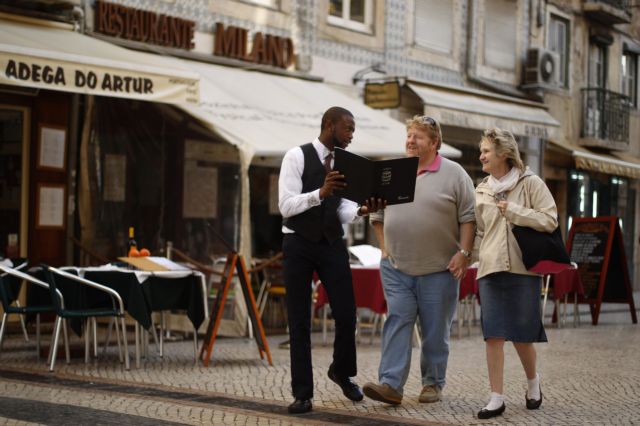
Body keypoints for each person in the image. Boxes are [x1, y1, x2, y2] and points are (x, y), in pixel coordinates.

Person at [363, 115, 475, 405]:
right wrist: (385, 248)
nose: (411, 141)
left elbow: (468, 218)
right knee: (398, 321)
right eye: (409, 135)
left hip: (440, 268)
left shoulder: (455, 174)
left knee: (435, 330)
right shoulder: (390, 171)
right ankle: (391, 384)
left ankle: (432, 383)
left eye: (418, 137)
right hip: (396, 267)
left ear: (434, 143)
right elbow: (376, 216)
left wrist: (463, 254)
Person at [278, 106, 383, 414]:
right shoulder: (296, 157)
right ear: (329, 125)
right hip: (297, 242)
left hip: (332, 243)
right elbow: (285, 206)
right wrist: (319, 193)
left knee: (347, 314)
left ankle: (341, 371)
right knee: (299, 321)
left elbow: (344, 209)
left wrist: (363, 210)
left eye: (353, 130)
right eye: (348, 128)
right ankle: (302, 393)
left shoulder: (346, 164)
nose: (352, 135)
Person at [474, 127, 552, 419]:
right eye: (481, 150)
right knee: (492, 335)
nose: (481, 155)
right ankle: (496, 397)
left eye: (486, 151)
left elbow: (550, 219)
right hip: (490, 268)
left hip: (523, 269)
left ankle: (533, 383)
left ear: (503, 154)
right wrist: (468, 257)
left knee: (522, 335)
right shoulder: (481, 189)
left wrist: (516, 211)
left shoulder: (531, 183)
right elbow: (480, 232)